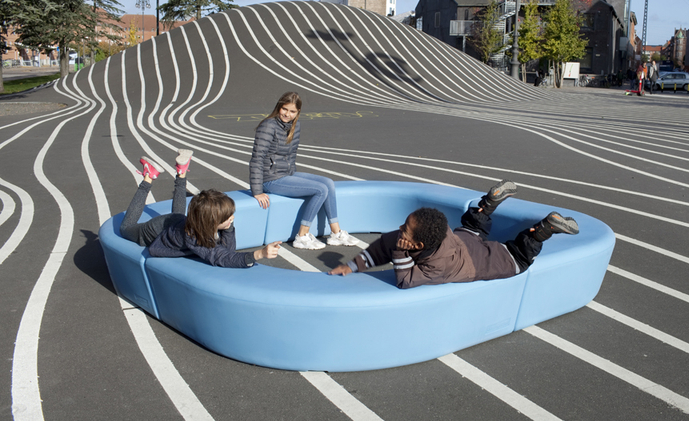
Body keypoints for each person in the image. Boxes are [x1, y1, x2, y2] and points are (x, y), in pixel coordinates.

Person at [328, 181, 579, 289]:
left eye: (405, 229)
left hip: (485, 261)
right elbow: (382, 245)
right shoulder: (428, 234)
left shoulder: (436, 265)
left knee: (520, 258)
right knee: (472, 230)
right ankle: (488, 205)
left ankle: (543, 230)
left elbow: (405, 281)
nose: (399, 230)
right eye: (404, 225)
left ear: (419, 243)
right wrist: (352, 266)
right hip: (461, 241)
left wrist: (401, 250)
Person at [120, 151, 280, 267]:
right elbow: (221, 257)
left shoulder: (200, 222)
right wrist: (259, 254)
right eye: (227, 217)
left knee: (177, 214)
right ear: (211, 222)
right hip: (155, 230)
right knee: (125, 228)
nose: (232, 218)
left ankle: (181, 171)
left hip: (177, 223)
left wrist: (228, 227)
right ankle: (148, 177)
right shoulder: (194, 238)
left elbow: (228, 249)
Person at [249, 92, 360, 250]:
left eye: (292, 111)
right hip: (271, 179)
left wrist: (294, 178)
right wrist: (257, 191)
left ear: (298, 112)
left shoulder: (295, 125)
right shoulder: (268, 126)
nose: (287, 114)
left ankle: (336, 233)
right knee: (320, 190)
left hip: (286, 174)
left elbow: (291, 154)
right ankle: (302, 236)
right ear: (279, 107)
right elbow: (257, 158)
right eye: (284, 109)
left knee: (328, 183)